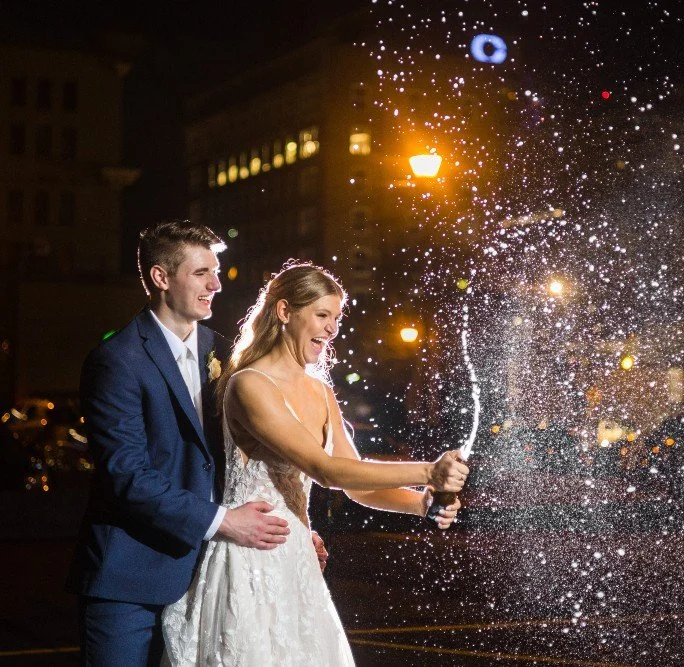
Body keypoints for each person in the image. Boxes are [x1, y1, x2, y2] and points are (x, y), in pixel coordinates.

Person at [160, 261, 468, 666]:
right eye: (322, 315)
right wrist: (428, 471)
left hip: (298, 565)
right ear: (285, 312)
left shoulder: (321, 392)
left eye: (336, 318)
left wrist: (420, 504)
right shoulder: (249, 384)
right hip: (249, 561)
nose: (331, 329)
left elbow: (354, 482)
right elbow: (324, 469)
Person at [68, 221, 300, 666]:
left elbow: (241, 458)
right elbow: (127, 476)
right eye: (201, 273)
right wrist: (223, 521)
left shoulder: (222, 351)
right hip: (130, 578)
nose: (216, 284)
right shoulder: (116, 360)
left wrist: (291, 527)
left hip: (212, 574)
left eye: (216, 271)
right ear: (161, 278)